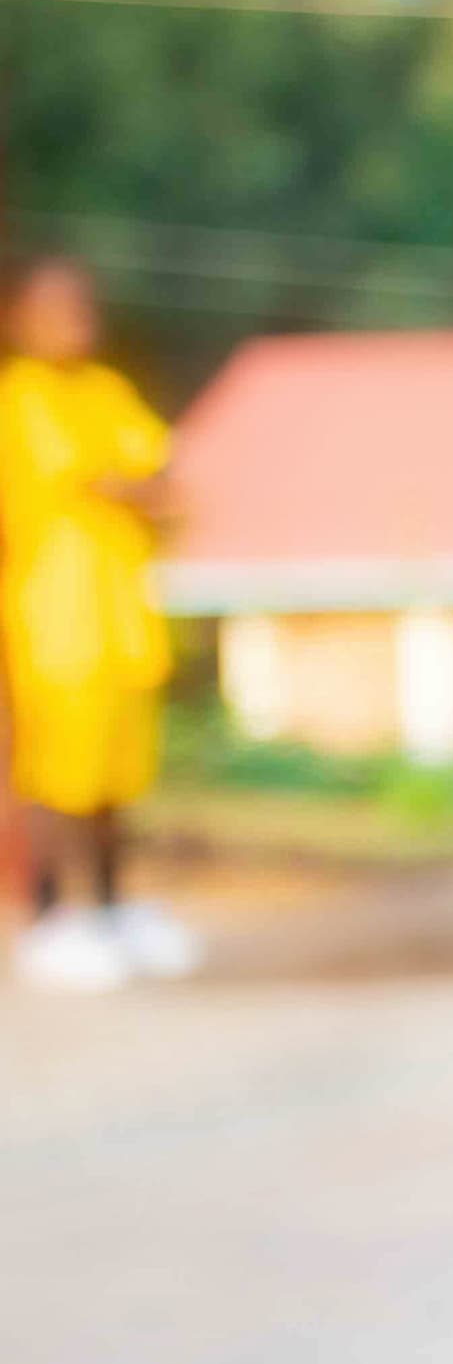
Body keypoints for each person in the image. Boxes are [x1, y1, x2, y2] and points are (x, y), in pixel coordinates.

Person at [1, 256, 191, 992]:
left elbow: (166, 479)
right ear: (22, 319)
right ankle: (50, 918)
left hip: (122, 616)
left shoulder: (109, 393)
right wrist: (134, 487)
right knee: (58, 780)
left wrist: (135, 488)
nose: (74, 320)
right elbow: (108, 478)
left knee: (119, 777)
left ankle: (111, 911)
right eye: (55, 307)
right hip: (57, 618)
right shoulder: (23, 397)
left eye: (81, 306)